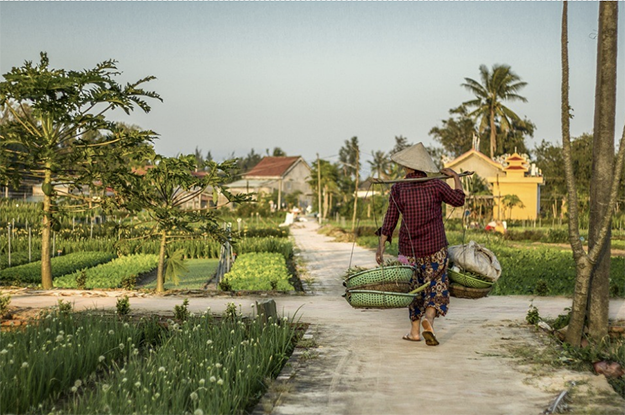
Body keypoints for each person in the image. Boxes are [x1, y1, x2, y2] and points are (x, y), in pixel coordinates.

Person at [376, 143, 465, 346]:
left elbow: (390, 220)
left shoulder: (398, 188)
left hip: (407, 251)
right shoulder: (436, 184)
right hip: (435, 248)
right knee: (437, 285)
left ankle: (415, 331)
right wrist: (456, 178)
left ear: (408, 167)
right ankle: (429, 320)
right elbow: (458, 200)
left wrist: (380, 246)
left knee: (413, 289)